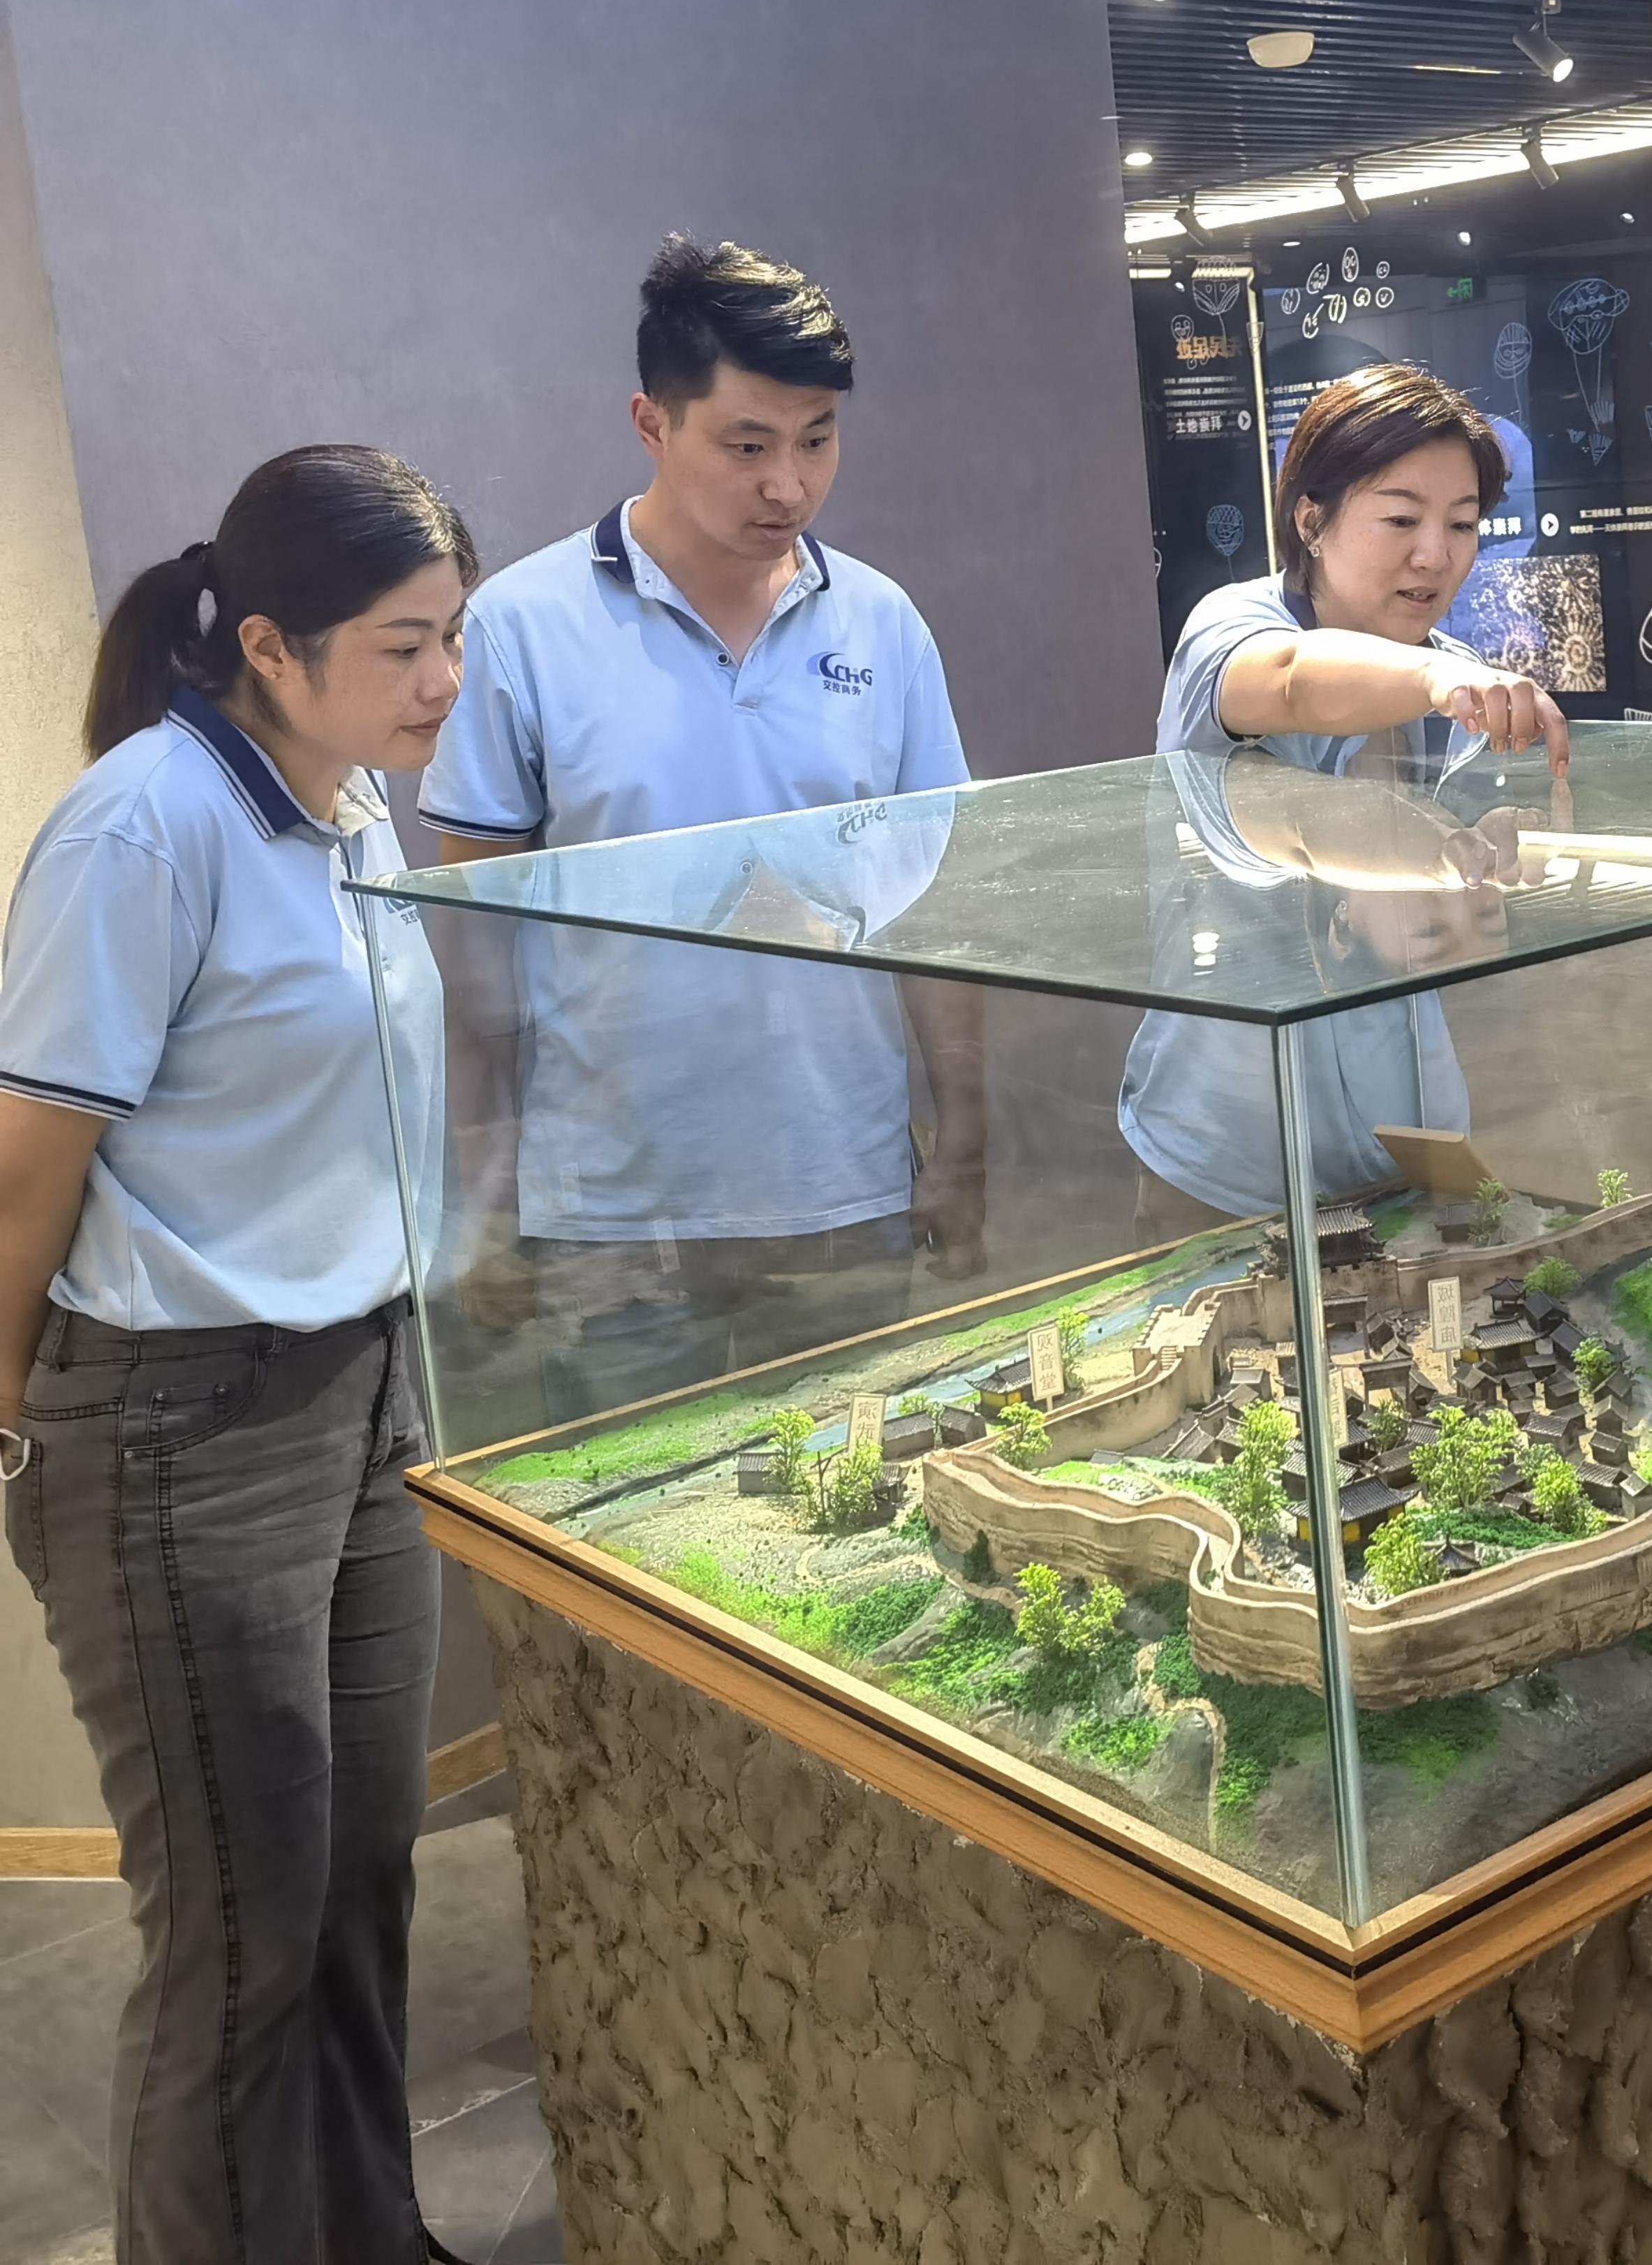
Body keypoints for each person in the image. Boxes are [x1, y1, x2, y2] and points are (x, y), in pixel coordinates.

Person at [0, 450, 478, 2265]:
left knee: (357, 1880)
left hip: (364, 1387)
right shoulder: (144, 827)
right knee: (236, 1930)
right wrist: (14, 1436)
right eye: (404, 645)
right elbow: (24, 1174)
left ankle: (365, 2234)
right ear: (269, 646)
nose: (443, 681)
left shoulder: (356, 808)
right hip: (179, 1423)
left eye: (452, 636)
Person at [418, 236, 983, 1412]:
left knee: (850, 1510)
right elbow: (474, 952)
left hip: (842, 1187)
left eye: (818, 439)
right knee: (621, 1519)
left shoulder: (882, 624)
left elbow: (933, 908)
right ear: (653, 423)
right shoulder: (519, 627)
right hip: (612, 1217)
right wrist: (484, 1192)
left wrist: (965, 1134)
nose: (790, 486)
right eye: (747, 445)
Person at [1119, 364, 1564, 1231]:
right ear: (1310, 519)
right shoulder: (1234, 626)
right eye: (1400, 519)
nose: (1434, 554)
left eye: (1462, 523)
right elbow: (1291, 679)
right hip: (1233, 1154)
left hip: (1406, 1141)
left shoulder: (1446, 674)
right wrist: (1437, 678)